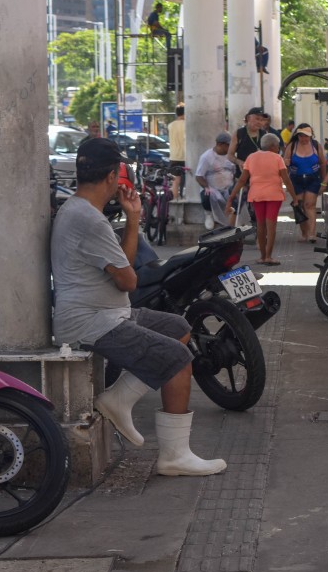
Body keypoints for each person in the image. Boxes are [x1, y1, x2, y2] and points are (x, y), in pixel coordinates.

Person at [51, 137, 225, 477]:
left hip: (108, 313)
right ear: (112, 176)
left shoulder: (81, 210)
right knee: (178, 359)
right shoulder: (89, 220)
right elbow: (129, 281)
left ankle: (120, 398)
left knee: (179, 328)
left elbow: (124, 266)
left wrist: (133, 219)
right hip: (91, 321)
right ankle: (175, 456)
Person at [226, 133, 297, 266]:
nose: (278, 148)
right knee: (271, 226)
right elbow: (286, 179)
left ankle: (262, 256)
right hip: (274, 195)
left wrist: (231, 197)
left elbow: (242, 180)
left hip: (256, 195)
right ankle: (269, 256)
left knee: (260, 225)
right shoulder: (277, 158)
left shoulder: (251, 157)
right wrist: (294, 197)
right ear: (272, 146)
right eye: (278, 146)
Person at [282, 123, 325, 242]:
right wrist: (286, 163)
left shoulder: (316, 145)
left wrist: (323, 181)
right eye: (301, 136)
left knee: (309, 205)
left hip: (313, 179)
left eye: (306, 136)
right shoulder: (292, 146)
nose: (304, 138)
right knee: (300, 206)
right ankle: (304, 233)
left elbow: (322, 163)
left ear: (311, 135)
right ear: (297, 135)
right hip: (296, 179)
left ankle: (312, 234)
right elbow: (284, 165)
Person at [226, 106, 268, 224]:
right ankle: (231, 231)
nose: (259, 122)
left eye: (261, 120)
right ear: (248, 118)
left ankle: (258, 232)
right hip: (242, 177)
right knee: (236, 206)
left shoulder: (264, 134)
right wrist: (239, 162)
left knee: (257, 209)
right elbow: (230, 155)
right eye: (257, 119)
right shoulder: (239, 133)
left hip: (259, 178)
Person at [195, 132, 235, 229]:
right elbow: (199, 176)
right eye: (228, 145)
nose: (230, 148)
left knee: (237, 193)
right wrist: (206, 187)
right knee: (207, 194)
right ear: (220, 144)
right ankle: (208, 214)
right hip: (213, 188)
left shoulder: (231, 156)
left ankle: (232, 215)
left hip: (227, 187)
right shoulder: (206, 157)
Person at [167, 104, 185, 198]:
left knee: (175, 181)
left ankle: (174, 200)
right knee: (190, 180)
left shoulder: (170, 125)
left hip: (174, 156)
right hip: (186, 157)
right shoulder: (187, 124)